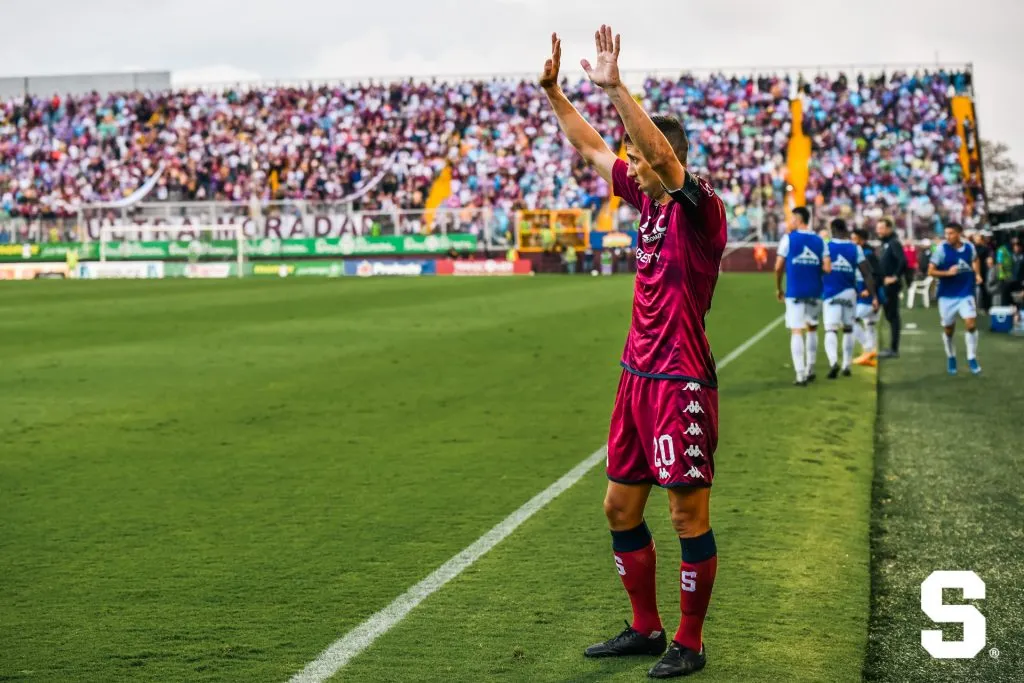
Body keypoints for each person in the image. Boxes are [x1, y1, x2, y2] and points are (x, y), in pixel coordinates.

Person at [541, 27, 727, 678]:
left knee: (684, 511)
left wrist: (618, 87)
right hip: (635, 378)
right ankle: (646, 629)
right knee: (620, 507)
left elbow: (654, 154)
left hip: (680, 382)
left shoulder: (699, 209)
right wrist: (556, 94)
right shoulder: (642, 196)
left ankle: (690, 641)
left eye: (643, 161)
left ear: (668, 162)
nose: (632, 168)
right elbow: (592, 147)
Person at [775, 206, 831, 385]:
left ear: (798, 220)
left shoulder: (788, 239)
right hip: (815, 291)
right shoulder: (820, 241)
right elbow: (828, 268)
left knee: (797, 330)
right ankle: (811, 369)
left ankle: (800, 374)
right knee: (812, 328)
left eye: (792, 219)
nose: (790, 222)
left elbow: (778, 266)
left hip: (795, 292)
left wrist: (778, 287)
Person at [822, 219, 878, 378]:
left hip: (831, 293)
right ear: (845, 230)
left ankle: (833, 362)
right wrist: (873, 295)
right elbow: (867, 273)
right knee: (848, 329)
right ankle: (847, 365)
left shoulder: (825, 247)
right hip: (850, 293)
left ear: (832, 230)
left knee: (830, 330)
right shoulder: (856, 248)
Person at [928, 223, 983, 375]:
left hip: (966, 292)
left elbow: (976, 259)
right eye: (946, 233)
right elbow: (930, 271)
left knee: (971, 324)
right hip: (947, 296)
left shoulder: (969, 247)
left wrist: (977, 274)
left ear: (959, 233)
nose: (948, 236)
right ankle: (951, 356)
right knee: (948, 329)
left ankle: (972, 357)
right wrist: (947, 273)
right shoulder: (941, 249)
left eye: (951, 233)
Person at [876, 217, 907, 358]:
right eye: (878, 228)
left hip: (891, 286)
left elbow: (903, 260)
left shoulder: (893, 243)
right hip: (884, 284)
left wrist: (895, 277)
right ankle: (891, 348)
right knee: (889, 316)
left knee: (893, 316)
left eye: (882, 228)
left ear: (889, 228)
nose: (879, 231)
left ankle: (893, 349)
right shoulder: (886, 243)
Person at [851, 228, 881, 365]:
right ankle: (871, 352)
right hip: (869, 293)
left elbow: (875, 274)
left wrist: (870, 292)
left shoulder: (867, 254)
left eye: (854, 239)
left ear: (861, 240)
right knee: (869, 323)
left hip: (868, 294)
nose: (851, 242)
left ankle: (868, 348)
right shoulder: (866, 252)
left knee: (851, 319)